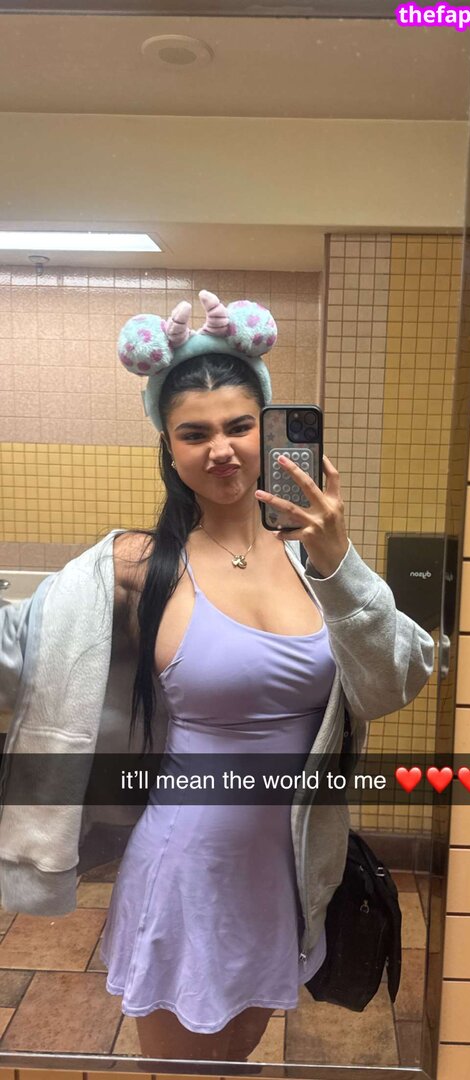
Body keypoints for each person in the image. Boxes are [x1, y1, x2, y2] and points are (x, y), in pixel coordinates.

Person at [0, 288, 435, 1067]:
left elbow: (394, 678)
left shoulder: (317, 560)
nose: (221, 450)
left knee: (232, 1058)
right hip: (188, 869)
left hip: (291, 872)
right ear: (169, 449)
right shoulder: (136, 566)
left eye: (238, 426)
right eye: (194, 433)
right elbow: (16, 653)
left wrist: (339, 561)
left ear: (267, 430)